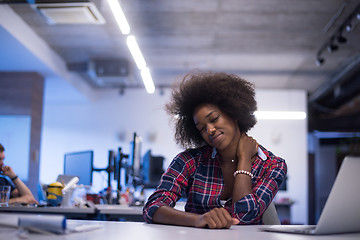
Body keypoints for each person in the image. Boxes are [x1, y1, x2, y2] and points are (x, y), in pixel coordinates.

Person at [143, 72, 287, 228]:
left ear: (234, 113)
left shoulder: (273, 165)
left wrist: (244, 159)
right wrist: (198, 220)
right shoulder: (189, 161)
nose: (210, 130)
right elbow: (153, 207)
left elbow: (243, 216)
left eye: (213, 119)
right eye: (202, 128)